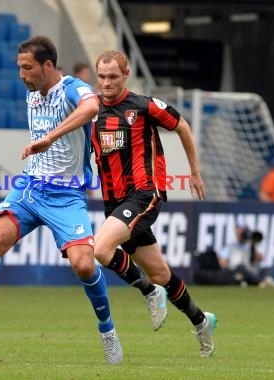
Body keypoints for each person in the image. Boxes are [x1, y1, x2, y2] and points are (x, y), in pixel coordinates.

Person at [0, 36, 123, 365]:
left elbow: (92, 106)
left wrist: (50, 138)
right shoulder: (32, 92)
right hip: (30, 187)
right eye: (19, 68)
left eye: (27, 68)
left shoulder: (72, 88)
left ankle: (107, 329)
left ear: (48, 65)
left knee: (84, 265)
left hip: (67, 194)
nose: (22, 75)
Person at [91, 49, 217, 358]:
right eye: (102, 77)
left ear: (126, 75)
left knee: (101, 250)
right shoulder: (91, 111)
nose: (106, 83)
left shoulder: (144, 106)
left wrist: (194, 172)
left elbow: (182, 126)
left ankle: (148, 292)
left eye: (113, 77)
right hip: (114, 201)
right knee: (161, 273)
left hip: (144, 193)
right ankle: (202, 322)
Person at [218, 222, 274, 288]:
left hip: (251, 272)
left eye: (243, 231)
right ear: (236, 232)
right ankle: (261, 282)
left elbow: (261, 258)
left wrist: (253, 245)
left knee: (268, 269)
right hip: (238, 273)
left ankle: (266, 280)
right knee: (241, 267)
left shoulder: (251, 246)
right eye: (239, 232)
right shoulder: (229, 246)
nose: (241, 233)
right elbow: (222, 263)